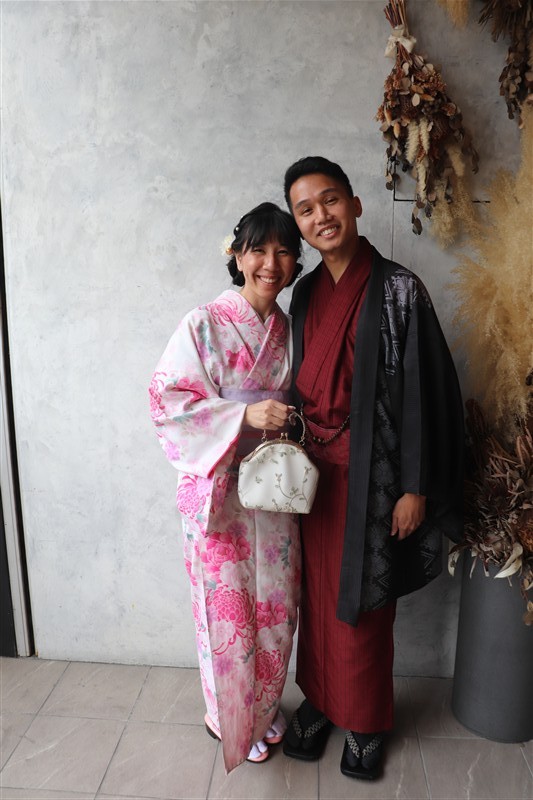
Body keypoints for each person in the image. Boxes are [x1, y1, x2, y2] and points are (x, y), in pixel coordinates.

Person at [281, 157, 464, 780]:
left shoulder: (400, 290)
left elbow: (425, 397)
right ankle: (320, 700)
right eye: (306, 210)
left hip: (374, 475)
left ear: (356, 205)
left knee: (361, 602)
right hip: (312, 475)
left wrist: (414, 487)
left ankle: (364, 719)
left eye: (330, 200)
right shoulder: (305, 293)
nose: (321, 216)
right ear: (300, 225)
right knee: (316, 594)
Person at [149, 202, 303, 773]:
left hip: (276, 489)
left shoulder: (289, 329)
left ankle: (263, 709)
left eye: (283, 251)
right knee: (229, 609)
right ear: (236, 256)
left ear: (295, 262)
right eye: (258, 250)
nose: (270, 263)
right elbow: (167, 400)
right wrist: (243, 416)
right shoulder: (204, 323)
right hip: (221, 494)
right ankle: (228, 717)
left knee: (276, 606)